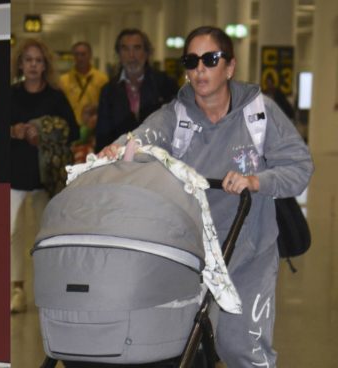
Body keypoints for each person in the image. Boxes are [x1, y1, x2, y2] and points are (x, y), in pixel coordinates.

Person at [99, 26, 313, 367]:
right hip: (191, 254)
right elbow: (142, 139)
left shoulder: (259, 113)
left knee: (241, 347)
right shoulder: (176, 116)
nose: (200, 69)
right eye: (191, 60)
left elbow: (299, 168)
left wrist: (255, 181)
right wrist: (119, 150)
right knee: (185, 346)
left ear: (229, 67)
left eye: (210, 59)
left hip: (250, 253)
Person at [10, 38, 79, 313]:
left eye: (38, 60)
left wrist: (44, 131)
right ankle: (17, 288)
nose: (33, 65)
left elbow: (73, 131)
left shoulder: (55, 96)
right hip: (15, 173)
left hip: (46, 178)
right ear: (20, 63)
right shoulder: (11, 94)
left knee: (46, 235)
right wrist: (12, 130)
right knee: (11, 232)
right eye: (28, 59)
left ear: (45, 65)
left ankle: (47, 287)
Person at [95, 28, 179, 152]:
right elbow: (102, 136)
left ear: (146, 52)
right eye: (125, 49)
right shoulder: (108, 91)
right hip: (120, 159)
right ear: (118, 54)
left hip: (158, 157)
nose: (131, 55)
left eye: (137, 48)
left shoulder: (164, 84)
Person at [59, 41, 108, 128]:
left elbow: (107, 105)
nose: (80, 58)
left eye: (83, 54)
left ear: (90, 55)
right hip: (70, 127)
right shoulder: (63, 80)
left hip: (94, 127)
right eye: (76, 54)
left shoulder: (102, 79)